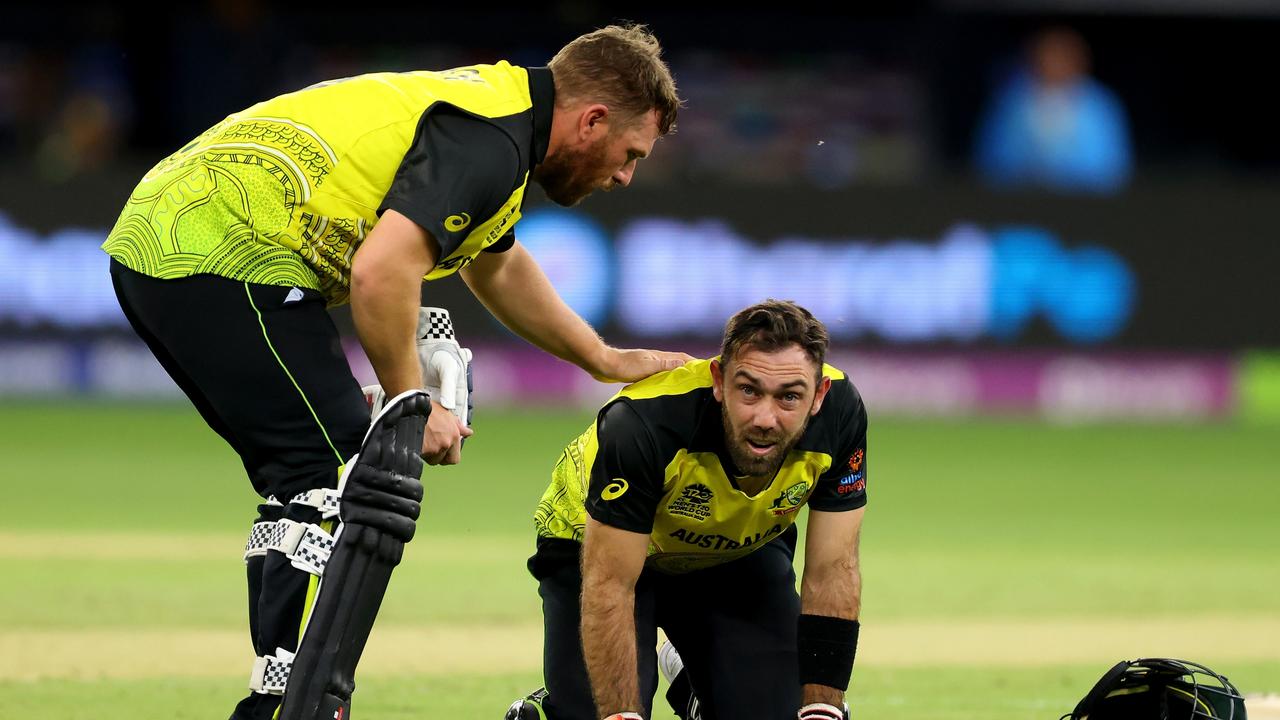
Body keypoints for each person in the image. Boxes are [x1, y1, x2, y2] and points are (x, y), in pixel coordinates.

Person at [100, 24, 690, 720]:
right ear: (591, 120)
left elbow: (495, 262)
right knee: (348, 476)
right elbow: (381, 271)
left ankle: (288, 695)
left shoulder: (498, 118)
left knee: (315, 473)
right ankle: (295, 704)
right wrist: (414, 401)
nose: (624, 176)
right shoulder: (489, 140)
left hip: (177, 236)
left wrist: (603, 360)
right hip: (219, 249)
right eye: (628, 155)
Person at [507, 300, 869, 720]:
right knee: (600, 714)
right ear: (719, 381)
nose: (765, 419)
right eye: (748, 390)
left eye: (789, 396)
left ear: (819, 395)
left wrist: (822, 707)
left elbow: (833, 568)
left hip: (734, 551)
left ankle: (697, 684)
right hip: (594, 547)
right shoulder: (644, 423)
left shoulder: (841, 413)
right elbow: (610, 583)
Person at [974, 26, 1132, 194]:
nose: (1053, 64)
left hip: (1085, 203)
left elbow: (1112, 167)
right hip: (1020, 201)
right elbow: (990, 161)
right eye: (1046, 56)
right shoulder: (1010, 103)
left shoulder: (1100, 105)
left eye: (1061, 57)